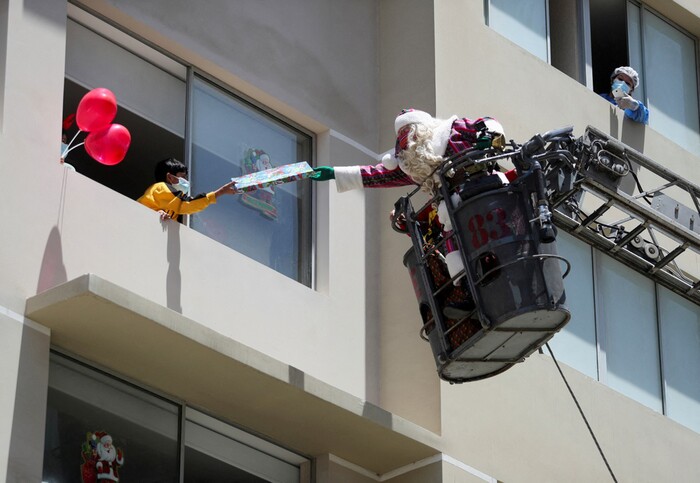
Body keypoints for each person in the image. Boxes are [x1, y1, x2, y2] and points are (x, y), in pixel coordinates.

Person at [311, 109, 509, 319]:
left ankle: (496, 283)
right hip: (452, 213)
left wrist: (488, 136)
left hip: (483, 193)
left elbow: (488, 123)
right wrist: (334, 173)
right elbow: (377, 175)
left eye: (410, 136)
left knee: (490, 239)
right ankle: (472, 297)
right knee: (453, 247)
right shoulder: (415, 166)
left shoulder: (453, 132)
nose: (408, 145)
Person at [138, 158, 239, 220]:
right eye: (183, 177)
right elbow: (188, 204)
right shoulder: (161, 187)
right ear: (170, 177)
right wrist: (221, 191)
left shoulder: (171, 204)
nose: (186, 181)